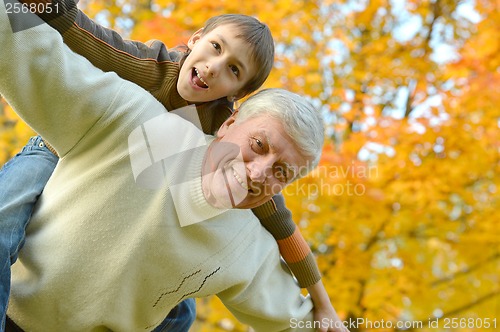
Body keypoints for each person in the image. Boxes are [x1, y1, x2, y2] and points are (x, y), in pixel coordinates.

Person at [0, 1, 346, 331]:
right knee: (6, 217)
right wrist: (41, 7)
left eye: (233, 70)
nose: (213, 67)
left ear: (235, 97)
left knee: (180, 314)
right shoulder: (144, 76)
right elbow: (82, 37)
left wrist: (323, 303)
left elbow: (284, 231)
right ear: (195, 39)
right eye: (258, 145)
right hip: (56, 147)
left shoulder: (240, 184)